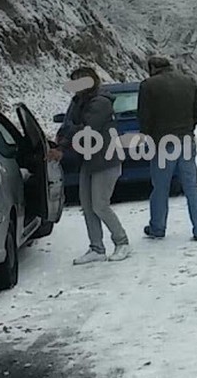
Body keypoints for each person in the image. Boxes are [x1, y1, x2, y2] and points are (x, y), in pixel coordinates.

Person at [53, 67, 131, 264]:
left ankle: (122, 242)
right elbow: (68, 127)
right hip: (87, 160)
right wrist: (60, 146)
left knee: (100, 205)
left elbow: (86, 130)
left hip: (106, 159)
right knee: (87, 207)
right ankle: (96, 247)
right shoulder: (78, 101)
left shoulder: (101, 102)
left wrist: (69, 131)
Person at [137, 56, 197, 242]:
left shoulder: (148, 85)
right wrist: (189, 126)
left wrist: (148, 134)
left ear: (152, 67)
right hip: (186, 139)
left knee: (161, 187)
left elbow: (144, 116)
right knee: (191, 185)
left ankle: (158, 227)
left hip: (162, 142)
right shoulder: (188, 81)